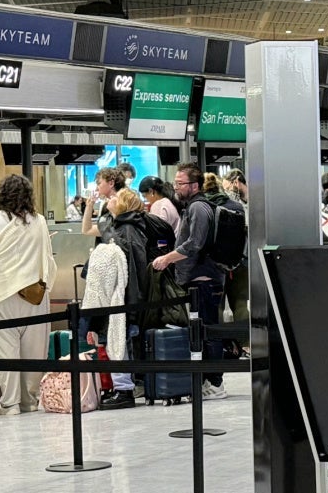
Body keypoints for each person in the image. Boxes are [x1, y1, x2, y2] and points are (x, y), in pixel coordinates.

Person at [0, 174, 56, 415]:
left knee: (7, 354)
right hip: (35, 297)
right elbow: (48, 260)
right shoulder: (38, 222)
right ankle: (30, 401)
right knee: (33, 355)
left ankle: (11, 404)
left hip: (0, 297)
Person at [151, 163, 228, 400]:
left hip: (205, 280)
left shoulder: (198, 208)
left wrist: (168, 258)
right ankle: (206, 379)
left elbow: (195, 243)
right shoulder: (191, 207)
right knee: (202, 332)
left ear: (194, 185)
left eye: (180, 183)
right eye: (175, 183)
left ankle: (215, 384)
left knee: (209, 332)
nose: (176, 187)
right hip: (198, 279)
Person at [93, 189, 149, 408]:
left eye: (115, 198)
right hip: (121, 296)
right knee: (116, 341)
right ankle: (122, 387)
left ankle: (123, 389)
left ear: (124, 205)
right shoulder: (124, 228)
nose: (110, 199)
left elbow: (133, 271)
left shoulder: (126, 231)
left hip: (122, 298)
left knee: (118, 341)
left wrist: (131, 301)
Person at [82, 165, 125, 239]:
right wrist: (89, 206)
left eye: (99, 183)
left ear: (111, 183)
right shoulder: (108, 208)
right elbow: (87, 230)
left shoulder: (124, 204)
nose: (96, 188)